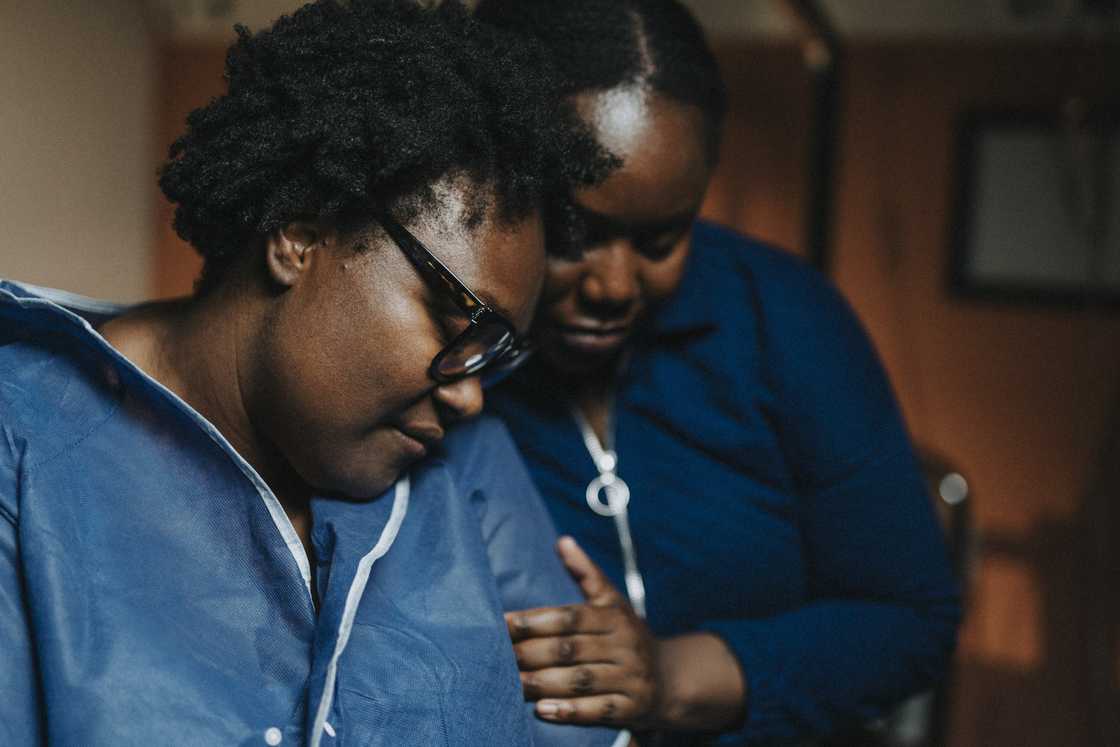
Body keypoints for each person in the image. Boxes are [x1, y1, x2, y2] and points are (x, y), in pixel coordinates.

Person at [0, 2, 625, 745]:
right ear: (300, 236)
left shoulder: (468, 464)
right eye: (460, 325)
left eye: (496, 352)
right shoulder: (23, 446)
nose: (467, 393)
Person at [477, 1, 963, 744]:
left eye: (661, 238)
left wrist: (673, 677)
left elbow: (910, 620)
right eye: (575, 232)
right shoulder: (445, 358)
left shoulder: (787, 321)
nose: (614, 285)